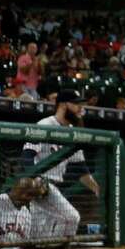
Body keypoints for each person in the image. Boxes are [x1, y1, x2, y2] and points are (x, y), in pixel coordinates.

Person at [21, 87, 95, 235]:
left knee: (40, 238)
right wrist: (34, 182)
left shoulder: (72, 130)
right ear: (62, 105)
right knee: (71, 218)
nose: (80, 108)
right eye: (76, 104)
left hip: (54, 188)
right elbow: (27, 155)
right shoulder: (45, 125)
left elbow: (81, 168)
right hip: (42, 186)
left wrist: (97, 189)